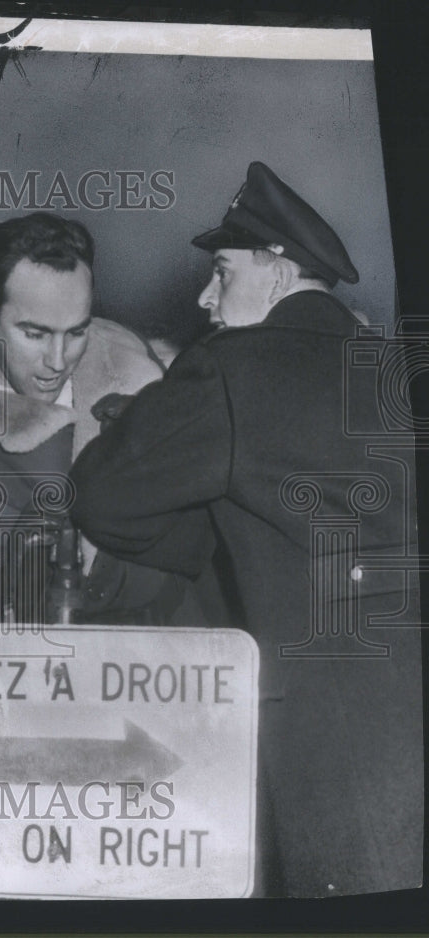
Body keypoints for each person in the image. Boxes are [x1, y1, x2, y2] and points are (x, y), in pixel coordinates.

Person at [69, 161, 422, 896]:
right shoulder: (394, 365)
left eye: (222, 272)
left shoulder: (236, 368)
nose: (206, 298)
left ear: (278, 268)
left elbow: (102, 496)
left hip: (331, 725)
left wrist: (205, 547)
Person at [0, 213, 179, 625]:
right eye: (35, 335)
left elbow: (179, 575)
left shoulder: (146, 400)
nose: (56, 362)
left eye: (76, 333)